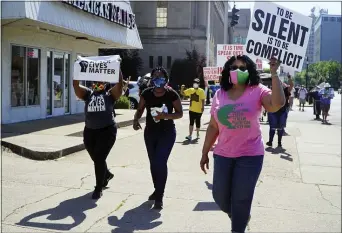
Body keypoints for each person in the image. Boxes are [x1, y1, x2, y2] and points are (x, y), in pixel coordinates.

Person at [200, 55, 285, 233]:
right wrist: (204, 152)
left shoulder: (258, 90)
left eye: (243, 68)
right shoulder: (219, 94)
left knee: (241, 198)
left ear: (250, 72)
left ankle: (238, 226)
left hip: (250, 155)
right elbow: (214, 126)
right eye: (234, 67)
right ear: (227, 71)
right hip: (223, 154)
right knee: (220, 197)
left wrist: (274, 74)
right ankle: (240, 215)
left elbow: (277, 104)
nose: (238, 71)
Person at [133, 66, 183, 210]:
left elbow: (180, 113)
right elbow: (140, 109)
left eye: (161, 76)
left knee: (160, 162)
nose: (158, 79)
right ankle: (157, 189)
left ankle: (159, 197)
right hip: (150, 133)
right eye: (155, 76)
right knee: (153, 164)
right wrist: (136, 119)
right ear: (152, 79)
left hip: (167, 133)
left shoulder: (171, 94)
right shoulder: (147, 93)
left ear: (166, 79)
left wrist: (165, 116)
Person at [72, 71, 123, 199]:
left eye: (100, 82)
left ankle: (98, 187)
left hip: (107, 131)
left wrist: (117, 68)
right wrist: (78, 70)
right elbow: (76, 85)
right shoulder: (88, 94)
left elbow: (120, 85)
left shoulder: (110, 94)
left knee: (99, 158)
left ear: (105, 83)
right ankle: (106, 174)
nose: (97, 84)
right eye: (95, 82)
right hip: (90, 131)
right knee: (96, 158)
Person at [267, 77, 293, 144]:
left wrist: (289, 78)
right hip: (273, 111)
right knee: (272, 127)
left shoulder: (285, 90)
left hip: (282, 111)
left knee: (280, 127)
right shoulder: (271, 90)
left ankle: (279, 142)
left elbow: (291, 85)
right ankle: (270, 141)